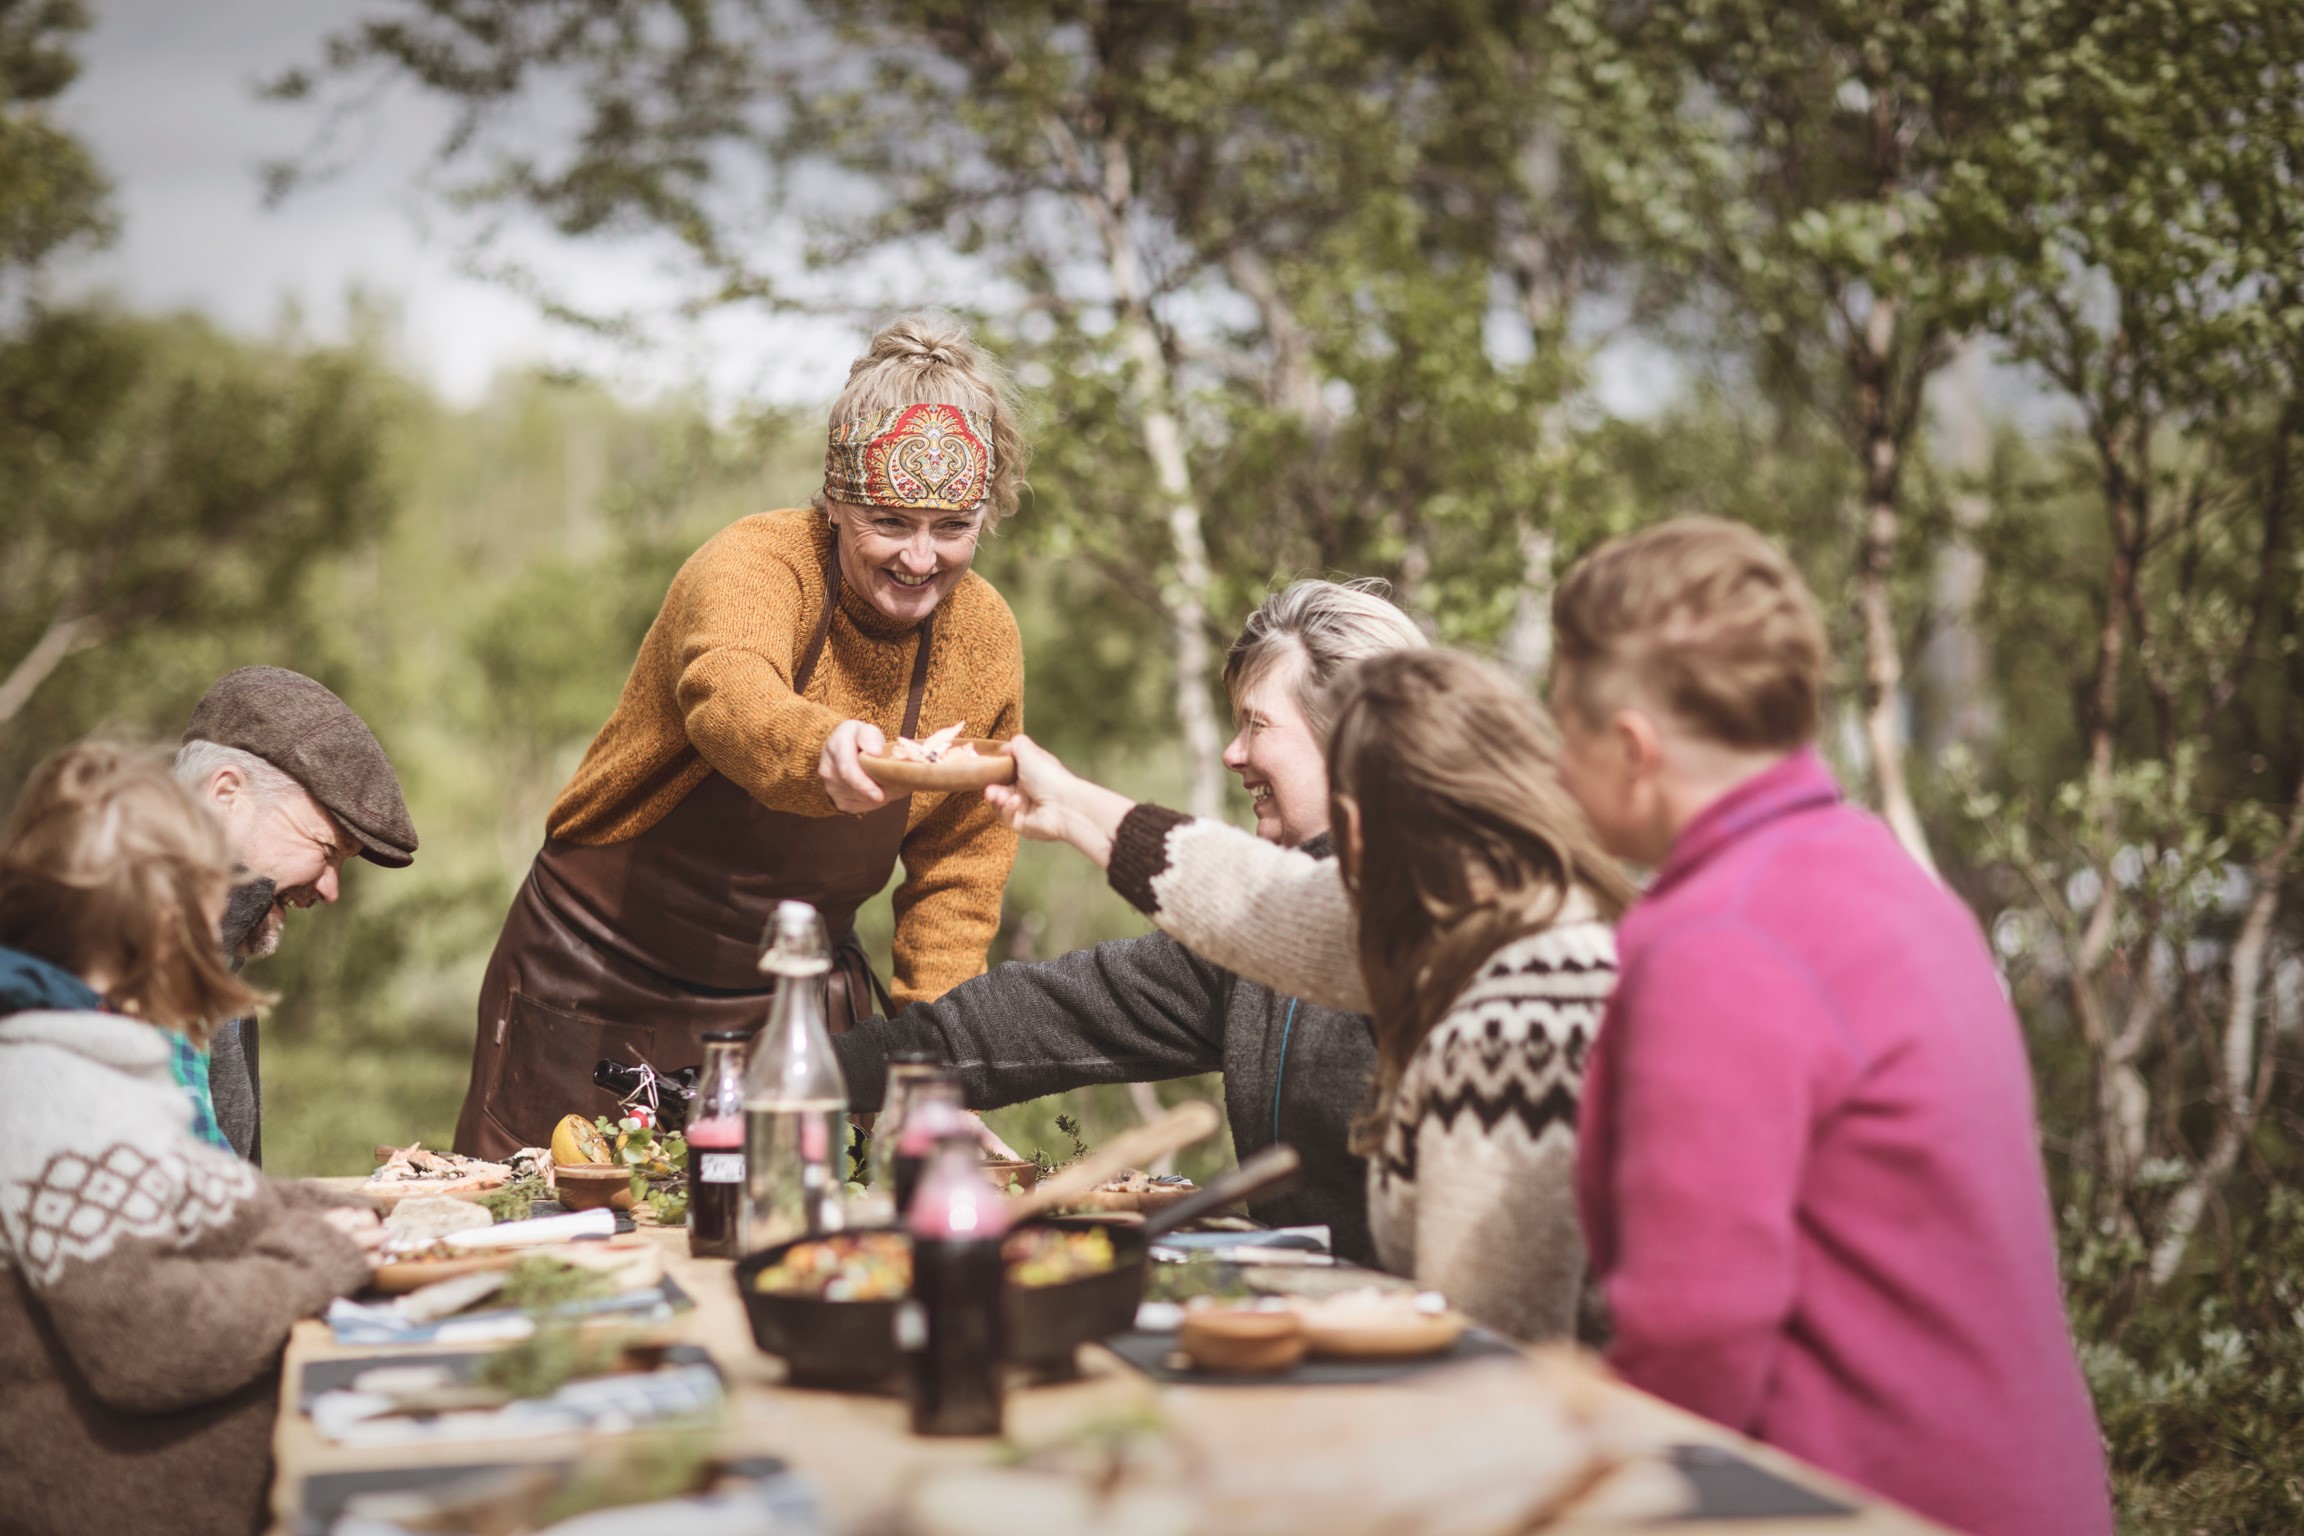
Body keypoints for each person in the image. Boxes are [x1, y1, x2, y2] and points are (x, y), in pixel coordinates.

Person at [1545, 517, 2110, 1536]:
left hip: (1868, 1507)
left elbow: (1692, 1335)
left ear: (1633, 749)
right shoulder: (1883, 873)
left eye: (1563, 732)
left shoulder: (1717, 937)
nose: (1552, 763)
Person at [455, 313, 1030, 1158]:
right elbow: (725, 689)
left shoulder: (983, 637)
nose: (920, 559)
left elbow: (961, 871)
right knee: (550, 1234)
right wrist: (822, 746)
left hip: (785, 1012)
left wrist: (930, 1069)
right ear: (834, 500)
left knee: (787, 1242)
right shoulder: (755, 564)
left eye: (951, 528)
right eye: (890, 523)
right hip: (597, 977)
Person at [972, 649, 1631, 1341]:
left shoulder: (1519, 1011)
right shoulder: (1478, 914)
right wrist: (1071, 804)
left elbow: (1494, 1336)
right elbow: (1248, 895)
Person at [833, 579, 1424, 1264]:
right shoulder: (1249, 942)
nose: (1234, 753)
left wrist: (1073, 805)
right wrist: (819, 1074)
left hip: (1445, 1342)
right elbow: (1047, 1015)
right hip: (1306, 1324)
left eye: (1257, 725)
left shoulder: (1426, 906)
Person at [0, 740, 384, 1536]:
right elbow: (146, 1342)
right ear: (166, 921)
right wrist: (316, 1259)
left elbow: (191, 1192)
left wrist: (311, 1209)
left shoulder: (90, 1059)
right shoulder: (52, 1089)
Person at [174, 666, 421, 1165]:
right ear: (225, 796)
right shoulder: (115, 952)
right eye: (326, 849)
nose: (330, 888)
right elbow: (180, 1207)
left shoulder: (209, 956)